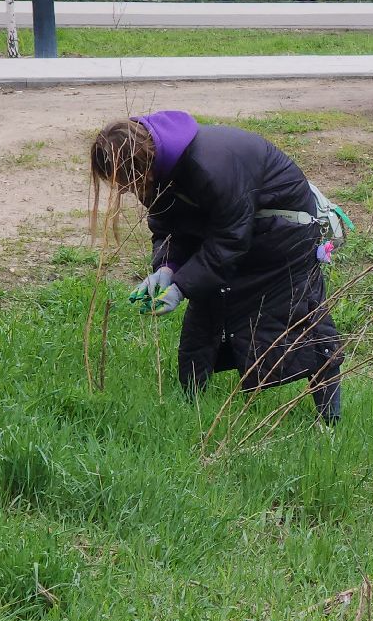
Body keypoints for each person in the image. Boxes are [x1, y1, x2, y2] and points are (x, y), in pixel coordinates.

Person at [89, 110, 347, 422]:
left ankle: (330, 413)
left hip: (283, 233)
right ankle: (190, 407)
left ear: (140, 164)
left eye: (126, 181)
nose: (125, 190)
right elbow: (169, 226)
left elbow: (229, 242)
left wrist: (182, 286)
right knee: (206, 316)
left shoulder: (211, 166)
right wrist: (167, 267)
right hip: (239, 229)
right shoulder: (156, 171)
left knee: (297, 316)